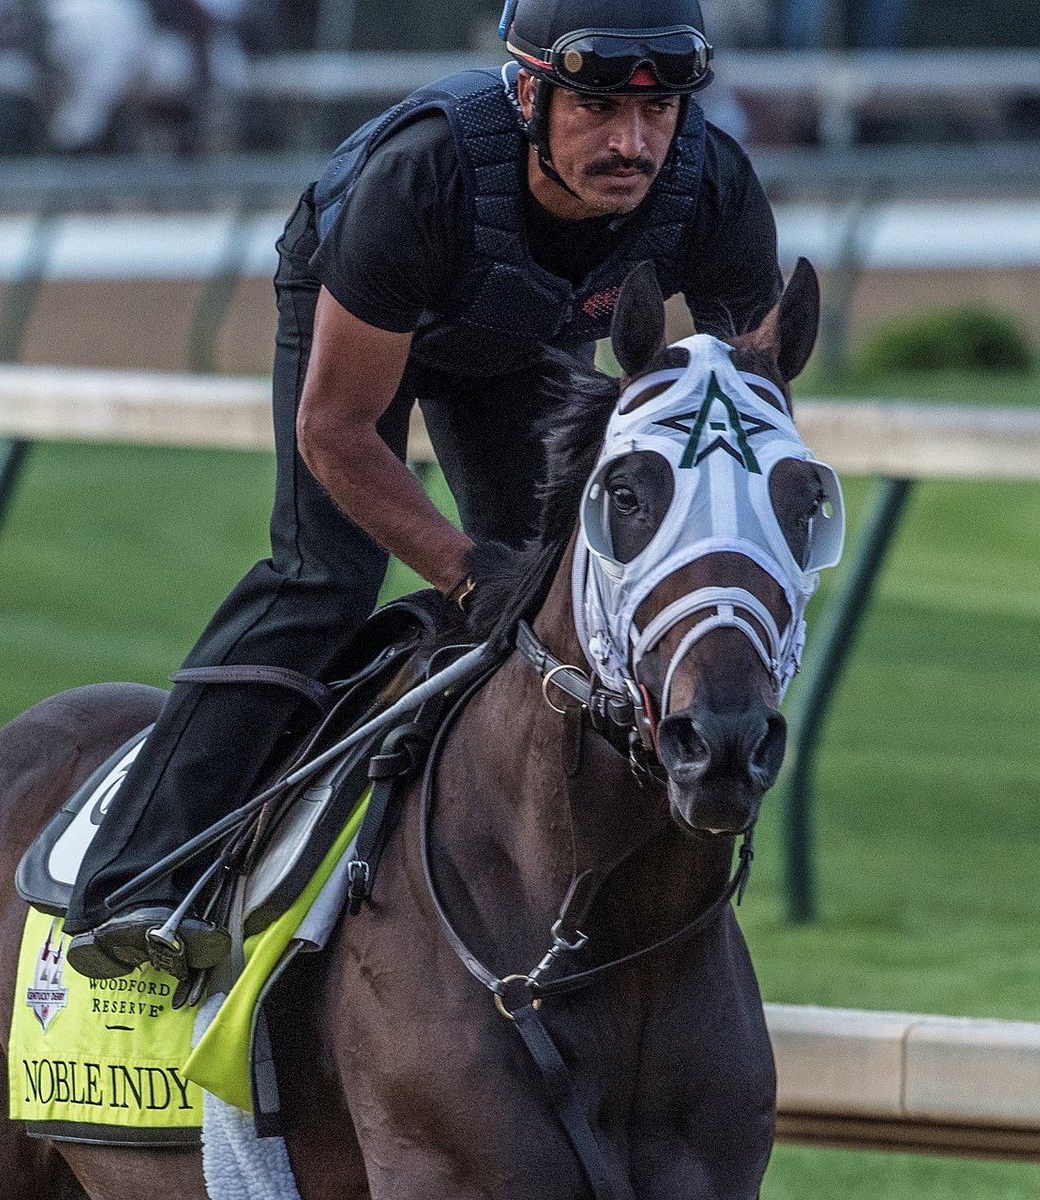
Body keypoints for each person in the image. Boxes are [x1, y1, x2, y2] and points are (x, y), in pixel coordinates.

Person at [64, 0, 784, 979]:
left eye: (659, 114)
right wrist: (457, 571)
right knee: (325, 574)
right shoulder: (422, 177)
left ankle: (546, 883)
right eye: (599, 108)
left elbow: (751, 403)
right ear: (528, 92)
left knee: (565, 604)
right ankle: (133, 877)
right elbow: (335, 430)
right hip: (355, 338)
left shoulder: (712, 187)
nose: (634, 142)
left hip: (523, 340)